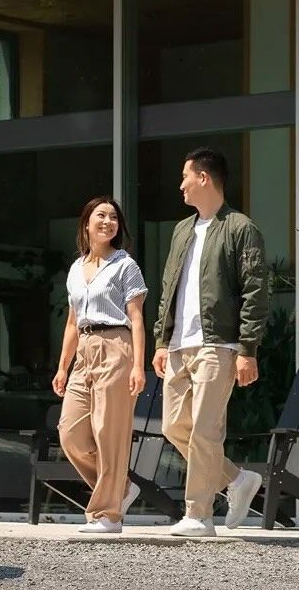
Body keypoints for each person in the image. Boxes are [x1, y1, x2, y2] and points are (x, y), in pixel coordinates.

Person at [151, 147, 270, 538]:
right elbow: (170, 289)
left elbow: (255, 291)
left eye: (186, 176)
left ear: (203, 177)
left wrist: (247, 349)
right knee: (173, 426)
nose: (181, 185)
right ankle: (236, 479)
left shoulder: (240, 228)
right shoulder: (182, 230)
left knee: (204, 429)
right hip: (180, 346)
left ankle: (198, 515)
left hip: (218, 345)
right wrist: (161, 341)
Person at [53, 197, 148, 534]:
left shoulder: (126, 266)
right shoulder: (76, 269)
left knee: (110, 433)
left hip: (116, 347)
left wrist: (138, 365)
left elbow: (137, 319)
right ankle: (120, 489)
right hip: (84, 350)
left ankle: (108, 515)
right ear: (86, 224)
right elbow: (71, 321)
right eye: (101, 216)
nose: (108, 222)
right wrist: (63, 367)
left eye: (113, 218)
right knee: (71, 433)